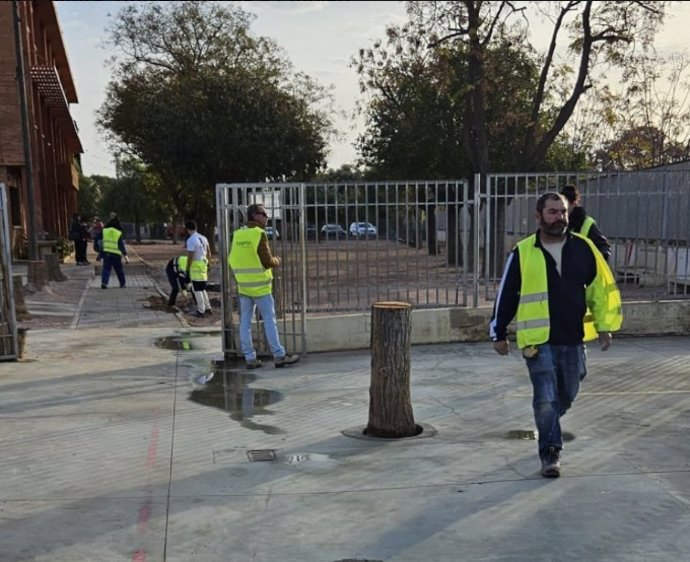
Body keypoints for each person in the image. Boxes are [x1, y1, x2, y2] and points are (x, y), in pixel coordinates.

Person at [489, 192, 622, 478]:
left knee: (570, 391)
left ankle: (548, 424)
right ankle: (550, 452)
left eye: (562, 212)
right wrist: (498, 332)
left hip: (573, 336)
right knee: (546, 397)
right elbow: (506, 295)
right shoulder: (523, 251)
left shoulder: (584, 247)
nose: (558, 217)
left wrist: (604, 326)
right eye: (552, 212)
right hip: (537, 340)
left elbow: (601, 290)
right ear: (538, 217)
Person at [229, 203, 300, 369]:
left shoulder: (237, 235)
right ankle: (279, 355)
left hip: (244, 287)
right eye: (264, 213)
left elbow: (232, 259)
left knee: (245, 322)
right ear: (255, 215)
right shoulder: (258, 234)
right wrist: (277, 260)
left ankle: (250, 358)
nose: (267, 217)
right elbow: (267, 262)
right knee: (269, 320)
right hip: (261, 287)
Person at [560, 185, 611, 261]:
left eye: (565, 205)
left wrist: (592, 265)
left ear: (574, 203)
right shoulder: (557, 221)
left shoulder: (586, 223)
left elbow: (603, 247)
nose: (562, 209)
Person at [183, 220, 212, 318]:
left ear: (187, 229)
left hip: (196, 264)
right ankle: (208, 307)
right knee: (203, 287)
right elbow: (209, 251)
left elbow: (190, 255)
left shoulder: (191, 240)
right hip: (204, 262)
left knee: (197, 288)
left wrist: (187, 268)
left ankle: (201, 310)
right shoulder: (203, 238)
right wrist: (209, 263)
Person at [99, 216, 129, 289]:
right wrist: (126, 256)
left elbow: (101, 243)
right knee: (119, 270)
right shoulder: (118, 233)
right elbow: (121, 245)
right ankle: (122, 283)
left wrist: (100, 255)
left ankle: (104, 283)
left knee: (106, 269)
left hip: (107, 253)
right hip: (116, 255)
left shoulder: (105, 231)